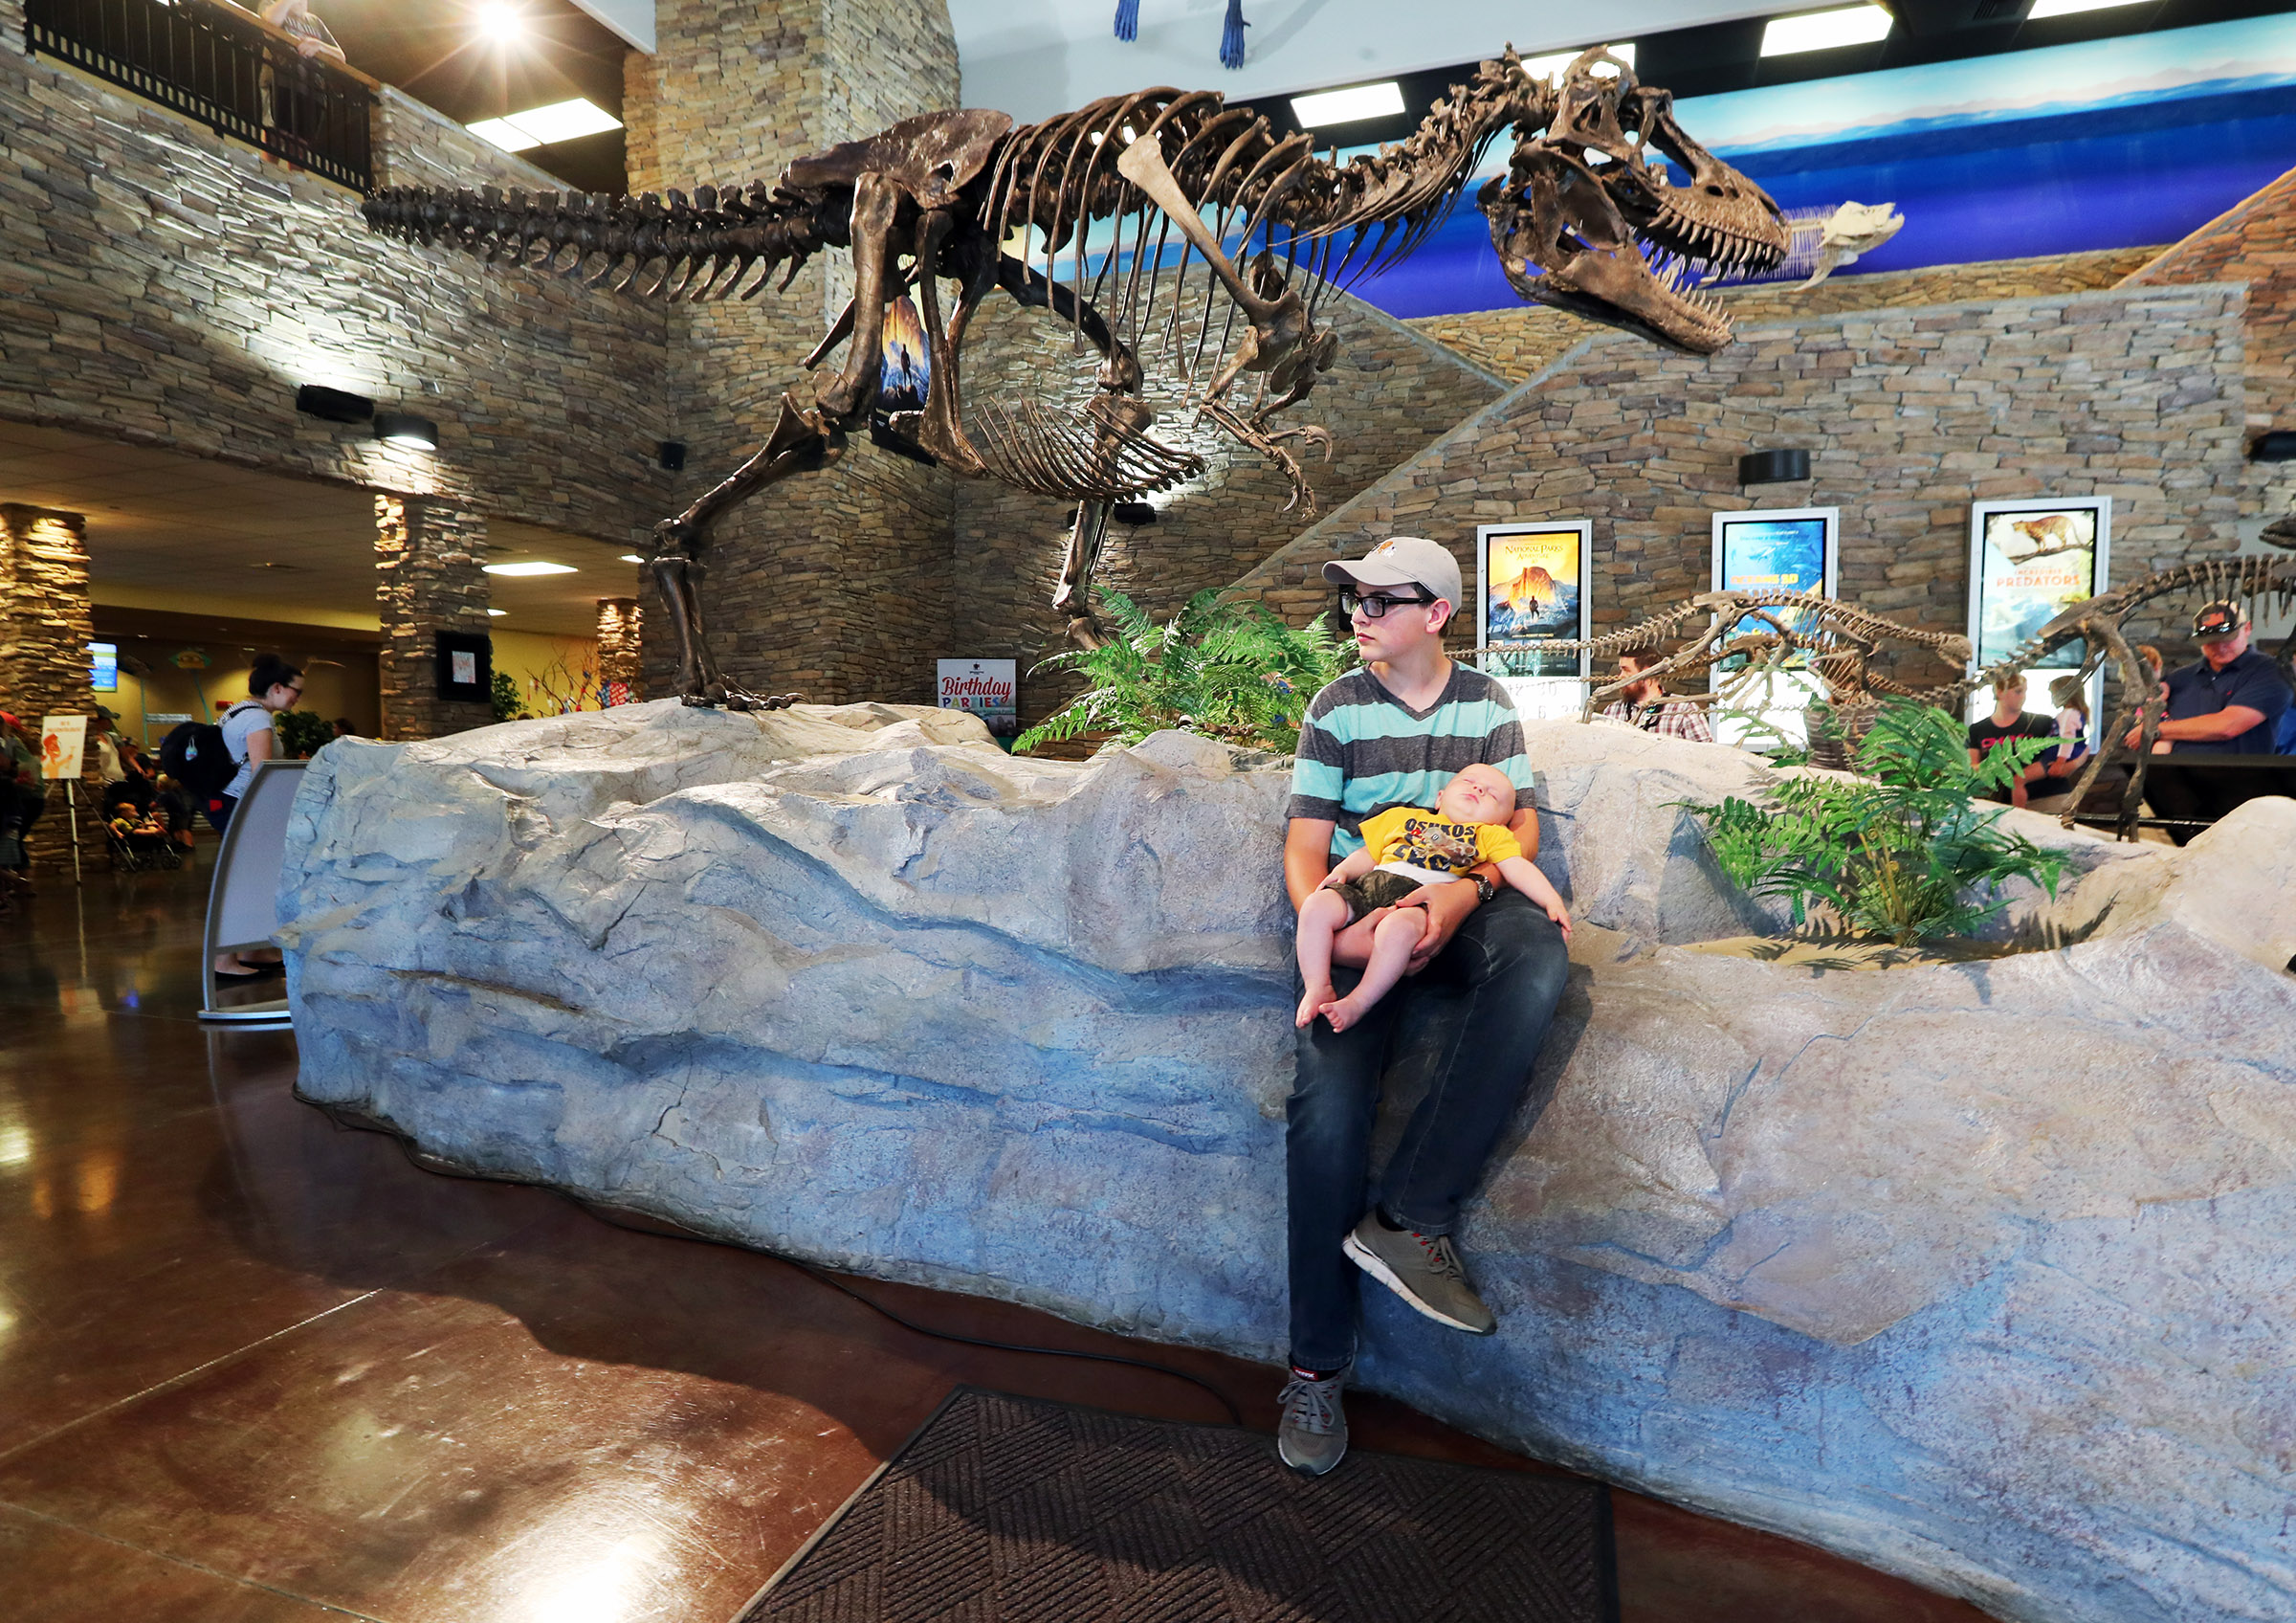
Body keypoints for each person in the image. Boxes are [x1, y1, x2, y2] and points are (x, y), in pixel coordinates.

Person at [1278, 536, 1572, 1478]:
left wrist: (1461, 892)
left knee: (1541, 958)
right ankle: (1315, 1366)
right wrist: (1336, 934)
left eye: (1378, 601)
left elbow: (1517, 824)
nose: (1358, 617)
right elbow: (1305, 845)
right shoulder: (1337, 708)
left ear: (1437, 613)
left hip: (1460, 895)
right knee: (1324, 1110)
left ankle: (1410, 1215)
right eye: (1350, 604)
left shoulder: (1487, 700)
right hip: (1367, 914)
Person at [1294, 764, 1571, 1034]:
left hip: (1419, 900)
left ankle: (1359, 1001)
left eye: (1493, 794)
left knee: (1398, 930)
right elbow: (1370, 854)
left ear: (1502, 821)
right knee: (1316, 906)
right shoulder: (1401, 818)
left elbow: (1518, 868)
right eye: (1469, 781)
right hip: (1369, 885)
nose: (1478, 788)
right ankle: (1317, 985)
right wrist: (1342, 871)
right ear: (1440, 798)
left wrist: (1551, 900)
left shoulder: (1489, 835)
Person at [210, 656, 303, 977]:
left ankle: (251, 949)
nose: (296, 698)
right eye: (295, 691)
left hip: (227, 802)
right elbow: (262, 774)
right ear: (276, 688)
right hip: (241, 805)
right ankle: (223, 960)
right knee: (242, 879)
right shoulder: (259, 720)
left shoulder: (235, 711)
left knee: (250, 877)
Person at [2125, 602, 2293, 755]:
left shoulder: (2272, 672)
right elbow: (2149, 709)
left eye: (2227, 639)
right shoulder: (2179, 678)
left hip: (2241, 782)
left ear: (2247, 628)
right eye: (2210, 642)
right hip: (2175, 780)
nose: (2219, 647)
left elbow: (2228, 726)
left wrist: (2155, 729)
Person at [1966, 673, 2069, 809]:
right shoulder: (1977, 729)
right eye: (2018, 692)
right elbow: (1972, 767)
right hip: (2001, 802)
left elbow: (2064, 753)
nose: (2023, 697)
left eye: (2024, 691)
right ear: (2000, 692)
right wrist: (1994, 764)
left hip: (2047, 796)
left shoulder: (2042, 723)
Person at [1597, 651, 1716, 742]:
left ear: (1647, 673)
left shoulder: (1684, 710)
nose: (1620, 676)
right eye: (1620, 670)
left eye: (1626, 670)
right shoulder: (1612, 712)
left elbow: (1706, 757)